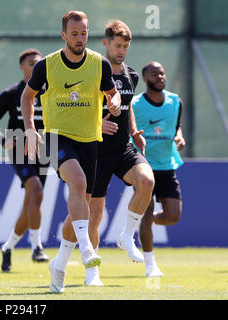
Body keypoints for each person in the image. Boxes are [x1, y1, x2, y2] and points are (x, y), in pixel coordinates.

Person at [21, 11, 122, 292]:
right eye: (74, 34)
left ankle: (60, 264)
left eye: (84, 33)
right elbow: (27, 96)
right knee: (77, 182)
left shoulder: (99, 63)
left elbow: (112, 93)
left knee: (81, 203)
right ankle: (87, 248)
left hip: (90, 139)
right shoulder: (47, 65)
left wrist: (113, 102)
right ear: (64, 35)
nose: (80, 38)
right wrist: (30, 128)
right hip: (56, 137)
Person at [87, 20, 155, 285]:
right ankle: (91, 271)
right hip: (95, 151)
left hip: (123, 148)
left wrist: (135, 131)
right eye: (117, 46)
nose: (121, 51)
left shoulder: (131, 74)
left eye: (125, 46)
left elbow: (128, 107)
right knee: (94, 215)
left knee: (147, 181)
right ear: (105, 43)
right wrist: (96, 123)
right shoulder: (92, 72)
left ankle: (127, 236)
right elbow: (81, 107)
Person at [0, 48, 49, 272]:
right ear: (22, 67)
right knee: (37, 192)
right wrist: (4, 141)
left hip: (43, 152)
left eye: (39, 63)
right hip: (19, 151)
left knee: (30, 204)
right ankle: (37, 247)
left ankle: (8, 247)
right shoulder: (11, 93)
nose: (36, 67)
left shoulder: (49, 92)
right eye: (31, 63)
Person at [133, 61, 185, 278]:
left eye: (162, 73)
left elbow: (176, 125)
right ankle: (150, 264)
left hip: (167, 164)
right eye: (154, 74)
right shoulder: (135, 104)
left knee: (174, 216)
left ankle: (143, 219)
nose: (160, 77)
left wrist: (180, 136)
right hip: (143, 166)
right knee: (145, 216)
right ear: (145, 79)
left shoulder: (175, 101)